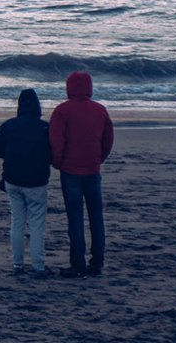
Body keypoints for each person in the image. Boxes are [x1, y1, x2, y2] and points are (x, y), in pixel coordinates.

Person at [49, 70, 114, 278]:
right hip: (92, 170)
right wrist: (99, 159)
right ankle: (97, 262)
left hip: (70, 171)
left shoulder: (62, 111)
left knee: (75, 218)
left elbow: (56, 142)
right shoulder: (100, 110)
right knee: (96, 217)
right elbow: (108, 140)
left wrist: (58, 163)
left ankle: (78, 264)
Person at [0, 88, 52, 277]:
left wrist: (10, 155)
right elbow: (53, 152)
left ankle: (17, 264)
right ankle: (38, 266)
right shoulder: (44, 128)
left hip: (12, 179)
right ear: (37, 106)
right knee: (36, 224)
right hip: (36, 181)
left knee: (17, 221)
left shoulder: (9, 126)